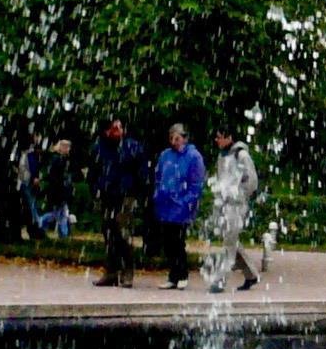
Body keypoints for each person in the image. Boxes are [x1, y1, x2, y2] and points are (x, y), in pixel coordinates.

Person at [92, 119, 151, 286]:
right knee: (109, 233)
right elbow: (94, 170)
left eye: (120, 127)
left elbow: (142, 171)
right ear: (107, 131)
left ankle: (127, 271)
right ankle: (111, 271)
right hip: (106, 194)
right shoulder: (100, 148)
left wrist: (135, 189)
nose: (119, 131)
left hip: (126, 195)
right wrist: (96, 189)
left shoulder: (132, 147)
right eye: (115, 128)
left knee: (123, 233)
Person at [204, 126, 260, 294]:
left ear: (229, 137)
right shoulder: (223, 156)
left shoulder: (241, 155)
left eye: (219, 137)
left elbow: (252, 181)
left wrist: (238, 194)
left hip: (237, 205)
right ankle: (251, 274)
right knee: (231, 241)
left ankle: (220, 280)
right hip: (225, 204)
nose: (217, 140)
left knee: (229, 243)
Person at [150, 123, 206, 289]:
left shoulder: (193, 156)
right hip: (165, 204)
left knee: (177, 241)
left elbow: (196, 184)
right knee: (168, 241)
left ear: (184, 138)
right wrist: (158, 193)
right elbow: (158, 176)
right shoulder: (165, 155)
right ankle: (173, 275)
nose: (174, 142)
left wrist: (186, 201)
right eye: (171, 139)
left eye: (177, 138)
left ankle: (182, 274)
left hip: (181, 205)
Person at [33, 139, 75, 238]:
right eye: (67, 147)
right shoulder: (58, 160)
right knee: (60, 213)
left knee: (60, 213)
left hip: (59, 190)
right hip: (58, 191)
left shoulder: (61, 159)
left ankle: (62, 232)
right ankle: (61, 232)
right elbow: (54, 175)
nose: (69, 149)